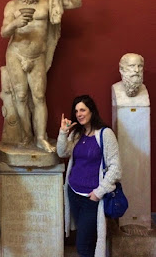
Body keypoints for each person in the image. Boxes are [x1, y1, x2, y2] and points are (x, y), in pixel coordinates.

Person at [0, 0, 82, 152]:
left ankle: (40, 138)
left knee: (38, 96)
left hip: (37, 56)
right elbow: (3, 32)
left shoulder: (49, 0)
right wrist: (16, 23)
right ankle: (26, 137)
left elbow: (76, 2)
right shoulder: (12, 6)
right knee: (20, 96)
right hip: (16, 53)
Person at [56, 95, 121, 257]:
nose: (79, 114)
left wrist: (98, 193)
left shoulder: (105, 134)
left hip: (91, 199)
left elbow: (116, 168)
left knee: (83, 246)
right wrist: (63, 133)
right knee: (87, 240)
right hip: (74, 194)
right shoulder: (77, 133)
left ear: (91, 111)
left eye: (83, 110)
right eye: (76, 111)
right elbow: (62, 152)